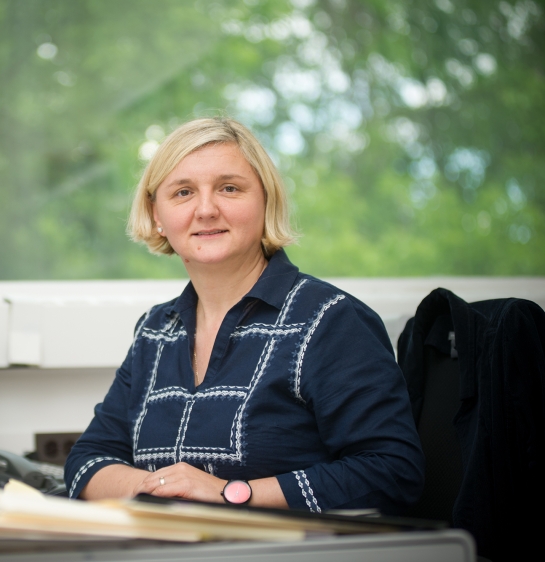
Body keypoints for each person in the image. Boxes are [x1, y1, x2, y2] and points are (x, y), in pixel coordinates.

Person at [63, 117, 424, 514]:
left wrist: (228, 493)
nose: (205, 210)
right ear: (157, 216)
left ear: (265, 200)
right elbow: (87, 462)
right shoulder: (156, 330)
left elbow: (392, 472)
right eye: (183, 192)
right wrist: (167, 488)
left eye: (229, 188)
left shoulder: (329, 320)